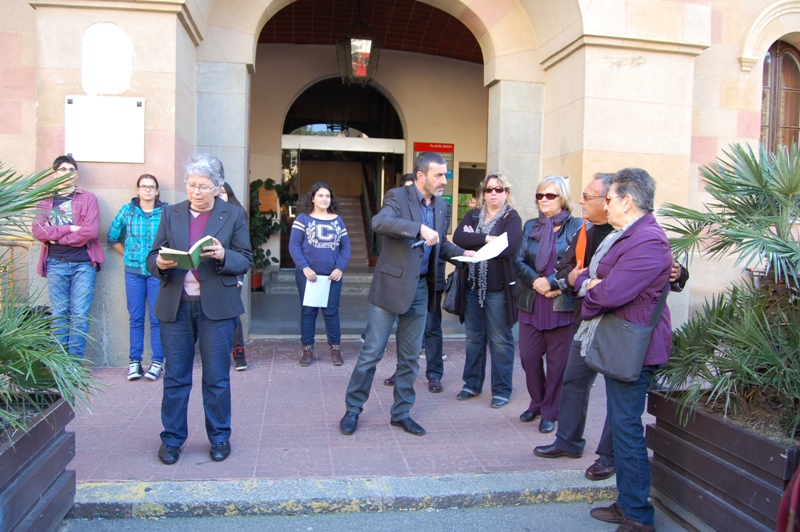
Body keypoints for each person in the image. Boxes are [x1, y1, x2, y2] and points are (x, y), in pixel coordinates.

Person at [533, 173, 688, 484]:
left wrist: (590, 285)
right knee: (576, 381)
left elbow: (617, 288)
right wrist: (580, 282)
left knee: (622, 416)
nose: (584, 203)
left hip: (620, 329)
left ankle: (612, 465)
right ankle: (568, 441)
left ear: (619, 200)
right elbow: (571, 270)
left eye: (593, 197)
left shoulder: (639, 235)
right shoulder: (591, 231)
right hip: (590, 323)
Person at [340, 152, 473, 437]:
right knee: (371, 353)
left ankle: (401, 413)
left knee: (410, 358)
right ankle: (353, 409)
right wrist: (418, 229)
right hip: (390, 288)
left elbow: (440, 244)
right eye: (439, 175)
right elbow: (380, 222)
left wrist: (465, 254)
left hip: (421, 289)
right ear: (421, 176)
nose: (444, 181)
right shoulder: (397, 196)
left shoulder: (441, 207)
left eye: (445, 175)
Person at [577, 168, 674, 532]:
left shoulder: (648, 239)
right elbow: (608, 283)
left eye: (610, 198)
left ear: (627, 201)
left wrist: (588, 284)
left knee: (628, 430)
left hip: (635, 347)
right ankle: (627, 503)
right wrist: (597, 282)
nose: (606, 204)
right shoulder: (631, 234)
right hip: (623, 341)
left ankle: (637, 516)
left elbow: (612, 292)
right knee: (622, 426)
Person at [146, 154, 252, 465]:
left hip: (216, 309)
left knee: (216, 377)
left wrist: (222, 255)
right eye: (191, 185)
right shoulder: (172, 214)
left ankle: (219, 437)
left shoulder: (232, 215)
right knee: (176, 377)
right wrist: (161, 263)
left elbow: (245, 258)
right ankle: (172, 439)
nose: (196, 192)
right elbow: (152, 257)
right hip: (176, 307)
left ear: (218, 188)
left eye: (203, 186)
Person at [512, 175, 583, 433]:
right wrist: (538, 282)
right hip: (531, 302)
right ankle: (537, 402)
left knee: (557, 364)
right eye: (539, 195)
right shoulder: (531, 226)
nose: (543, 200)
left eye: (549, 195)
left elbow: (579, 264)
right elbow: (518, 262)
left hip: (560, 304)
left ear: (562, 198)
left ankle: (550, 411)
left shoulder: (577, 226)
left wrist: (552, 284)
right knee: (529, 358)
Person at [452, 172, 522, 409]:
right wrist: (491, 238)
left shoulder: (511, 218)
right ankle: (471, 384)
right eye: (489, 189)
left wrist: (478, 240)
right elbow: (459, 237)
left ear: (506, 193)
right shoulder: (472, 214)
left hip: (497, 289)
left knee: (500, 340)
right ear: (483, 193)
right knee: (474, 338)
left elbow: (508, 246)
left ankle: (501, 390)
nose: (493, 193)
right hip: (472, 286)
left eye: (499, 189)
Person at [32, 155, 105, 359]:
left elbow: (90, 232)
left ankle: (74, 363)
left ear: (76, 175)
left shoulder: (88, 198)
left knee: (80, 315)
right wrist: (70, 228)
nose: (67, 173)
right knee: (59, 315)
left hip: (83, 264)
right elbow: (38, 231)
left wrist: (57, 236)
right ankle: (60, 364)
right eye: (62, 170)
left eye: (70, 170)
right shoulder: (45, 201)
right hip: (56, 263)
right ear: (54, 174)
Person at [108, 173, 167, 380]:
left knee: (157, 317)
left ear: (157, 191)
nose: (148, 190)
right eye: (144, 186)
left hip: (157, 273)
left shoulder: (166, 212)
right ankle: (135, 362)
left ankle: (157, 361)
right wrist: (127, 255)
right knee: (135, 318)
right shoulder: (128, 211)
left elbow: (176, 238)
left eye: (151, 187)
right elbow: (112, 236)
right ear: (137, 190)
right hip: (133, 272)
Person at [289, 182, 351, 366]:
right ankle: (307, 351)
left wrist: (339, 268)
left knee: (332, 312)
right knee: (308, 312)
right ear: (313, 198)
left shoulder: (337, 220)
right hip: (308, 275)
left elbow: (345, 247)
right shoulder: (302, 219)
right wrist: (304, 267)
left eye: (327, 196)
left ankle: (335, 350)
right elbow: (294, 246)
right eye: (321, 195)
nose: (324, 199)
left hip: (332, 276)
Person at [218, 182, 248, 371]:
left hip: (232, 273)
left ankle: (238, 352)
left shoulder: (237, 215)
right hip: (208, 273)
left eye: (223, 193)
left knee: (232, 315)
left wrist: (238, 278)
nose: (219, 196)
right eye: (217, 192)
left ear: (229, 195)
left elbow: (242, 251)